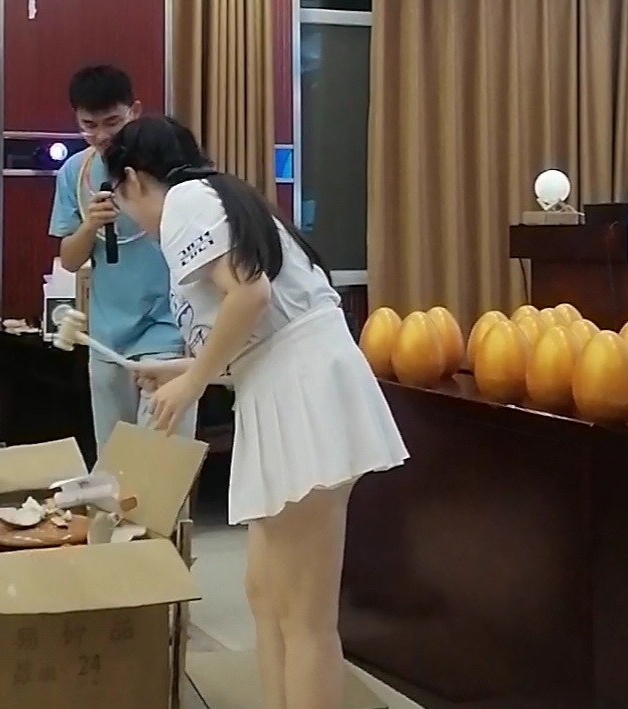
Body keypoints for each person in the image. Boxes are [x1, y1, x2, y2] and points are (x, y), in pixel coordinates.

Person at [104, 116, 408, 709]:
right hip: (287, 386)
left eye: (120, 197)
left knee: (304, 615)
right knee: (266, 595)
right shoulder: (212, 198)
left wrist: (192, 382)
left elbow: (251, 293)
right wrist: (180, 369)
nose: (128, 214)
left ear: (134, 180)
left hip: (302, 393)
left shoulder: (186, 202)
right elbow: (254, 330)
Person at [48, 65, 196, 451]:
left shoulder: (162, 161)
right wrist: (90, 224)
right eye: (88, 125)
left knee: (163, 455)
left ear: (135, 111)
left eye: (112, 122)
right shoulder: (74, 173)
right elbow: (69, 260)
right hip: (106, 335)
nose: (101, 135)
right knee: (114, 456)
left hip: (166, 327)